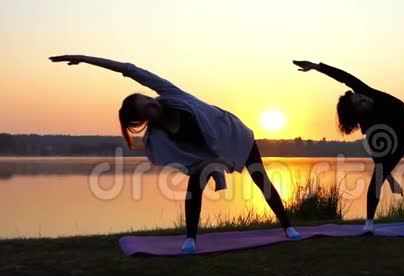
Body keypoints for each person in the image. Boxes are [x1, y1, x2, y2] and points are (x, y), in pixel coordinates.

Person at [50, 54, 301, 253]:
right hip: (208, 153)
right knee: (194, 187)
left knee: (261, 180)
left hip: (234, 135)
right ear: (143, 118)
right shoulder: (158, 137)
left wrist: (84, 58)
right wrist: (212, 166)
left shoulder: (172, 95)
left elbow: (130, 69)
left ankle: (288, 228)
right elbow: (190, 156)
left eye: (148, 99)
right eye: (146, 107)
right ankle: (190, 238)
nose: (152, 103)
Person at [293, 60, 404, 231]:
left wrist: (316, 67)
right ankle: (369, 223)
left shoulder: (365, 90)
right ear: (359, 113)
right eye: (360, 104)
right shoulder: (370, 124)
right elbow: (377, 155)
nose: (364, 100)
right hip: (396, 141)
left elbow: (343, 77)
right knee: (378, 176)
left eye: (360, 98)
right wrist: (390, 180)